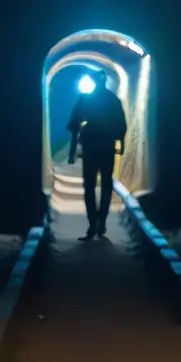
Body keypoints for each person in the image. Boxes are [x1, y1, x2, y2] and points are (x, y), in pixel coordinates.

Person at [67, 70, 127, 240]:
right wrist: (120, 146)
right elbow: (121, 125)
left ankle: (93, 224)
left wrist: (72, 152)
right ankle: (100, 222)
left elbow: (74, 126)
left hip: (91, 147)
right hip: (105, 147)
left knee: (89, 187)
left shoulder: (86, 98)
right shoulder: (112, 99)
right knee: (105, 185)